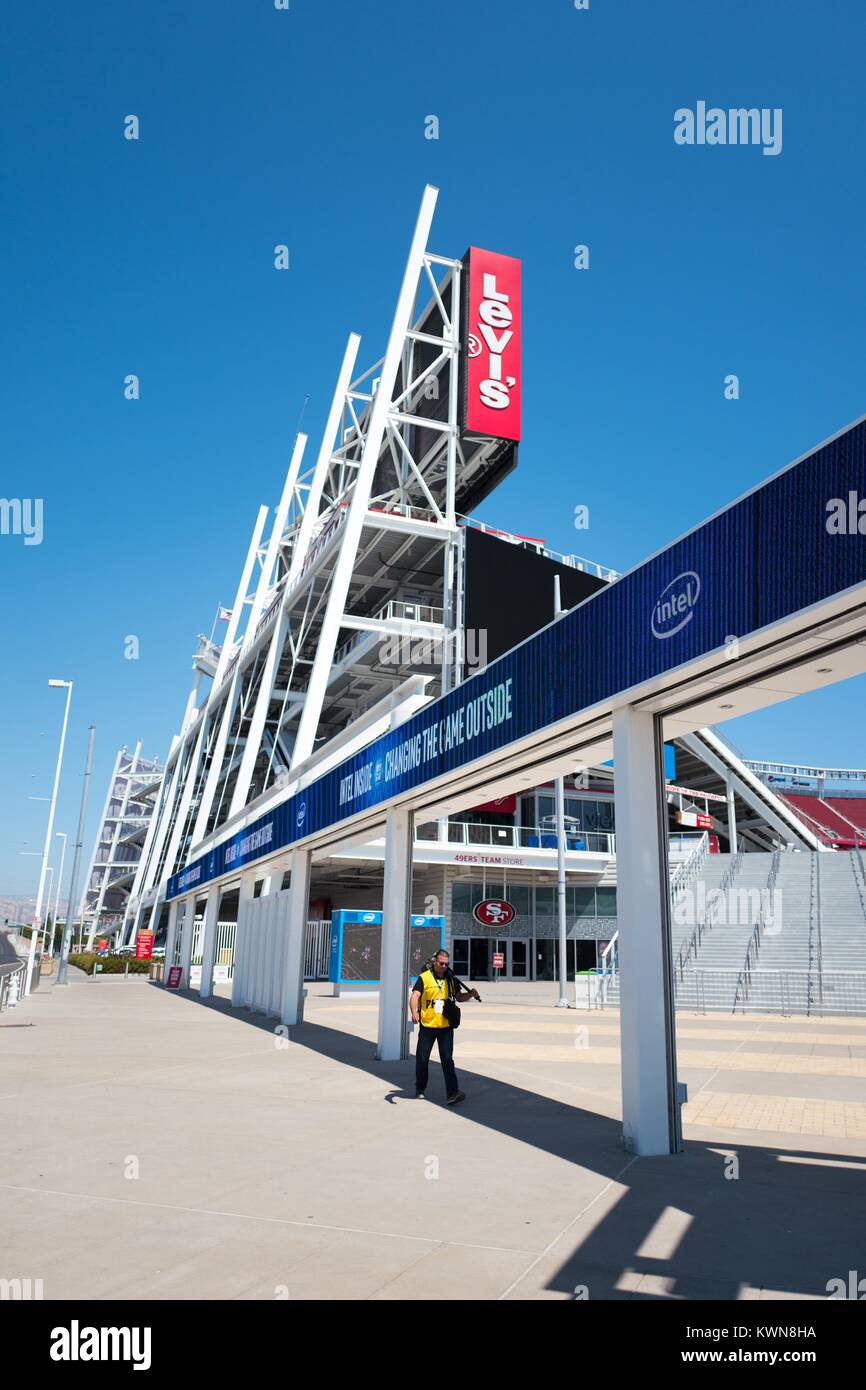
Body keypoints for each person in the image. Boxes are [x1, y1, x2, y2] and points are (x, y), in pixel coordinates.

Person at [409, 949, 480, 1103]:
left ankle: (453, 1093)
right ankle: (420, 1089)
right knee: (422, 1059)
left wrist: (471, 995)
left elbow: (459, 997)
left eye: (446, 964)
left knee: (447, 1060)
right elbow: (414, 996)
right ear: (434, 962)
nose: (443, 966)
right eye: (441, 963)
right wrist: (414, 1012)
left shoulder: (450, 979)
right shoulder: (424, 978)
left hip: (445, 1027)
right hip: (428, 1026)